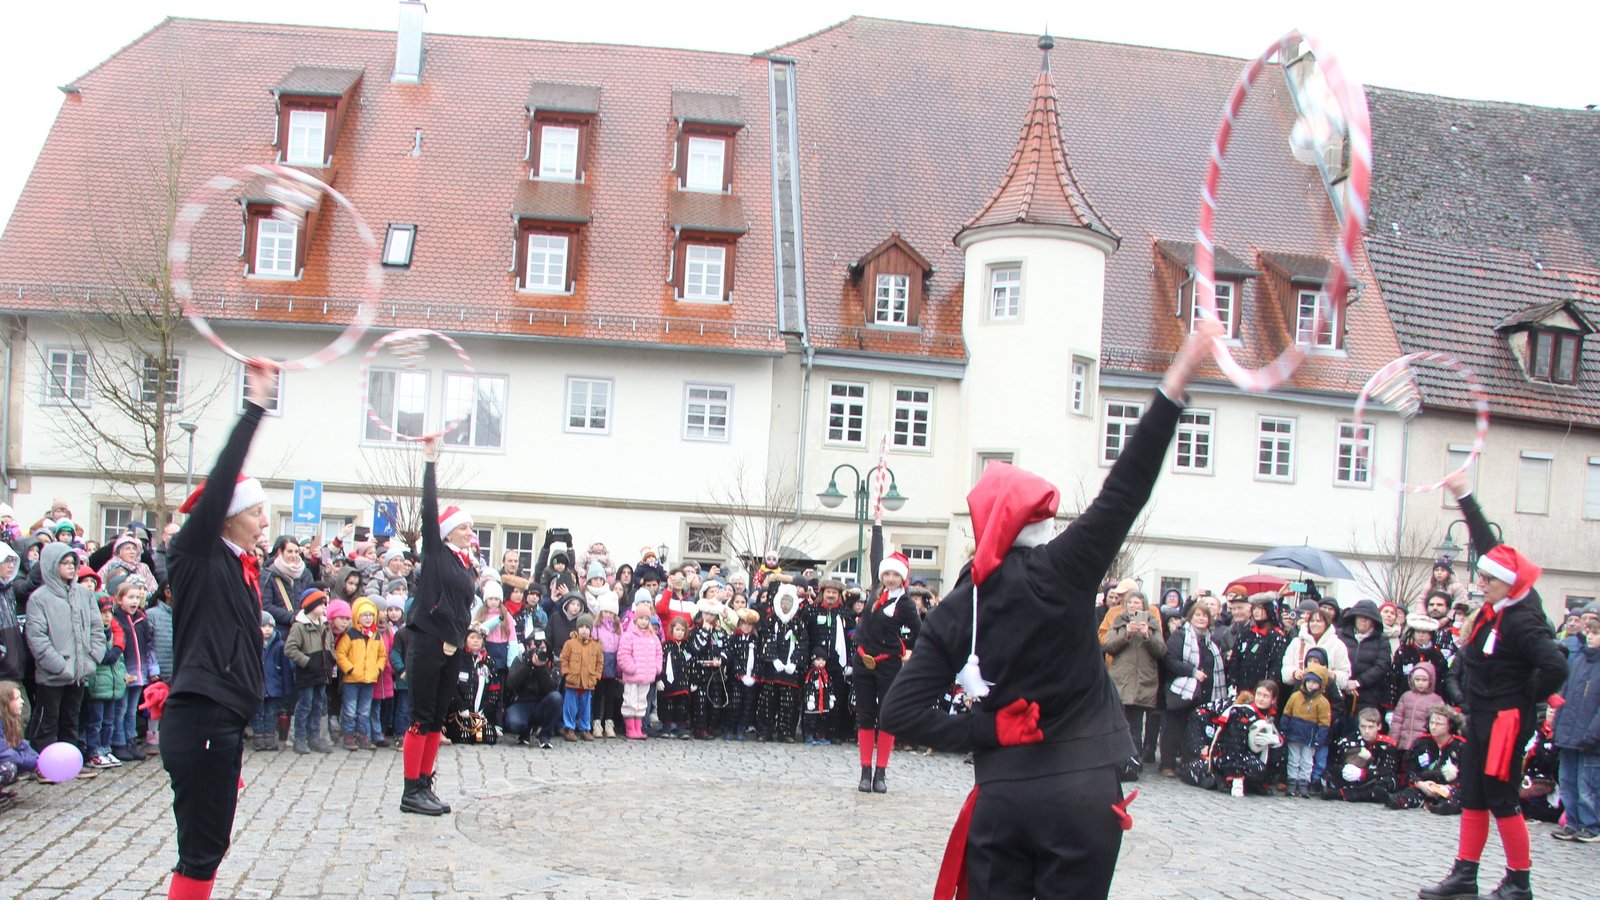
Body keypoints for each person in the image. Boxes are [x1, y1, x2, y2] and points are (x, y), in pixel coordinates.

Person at [877, 323, 1216, 898]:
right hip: (1082, 794)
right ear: (1035, 525)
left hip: (1004, 799)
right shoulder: (1064, 569)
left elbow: (898, 713)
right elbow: (1124, 490)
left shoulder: (958, 606)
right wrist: (1172, 388)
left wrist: (988, 730)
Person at [1419, 474, 1569, 900]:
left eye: (1488, 579)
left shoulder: (1524, 618)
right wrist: (1464, 495)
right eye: (1481, 577)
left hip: (1506, 719)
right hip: (1482, 714)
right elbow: (1488, 544)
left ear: (1508, 583)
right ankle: (1465, 874)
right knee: (1473, 792)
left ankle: (1519, 882)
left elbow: (1556, 665)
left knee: (1502, 797)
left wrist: (1524, 695)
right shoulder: (1500, 599)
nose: (1480, 582)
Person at [157, 361, 275, 900]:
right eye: (256, 514)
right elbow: (224, 474)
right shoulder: (197, 552)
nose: (265, 524)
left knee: (210, 847)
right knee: (202, 848)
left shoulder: (238, 566)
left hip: (222, 718)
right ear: (227, 517)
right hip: (202, 715)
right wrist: (254, 408)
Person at [399, 436, 477, 816]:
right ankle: (409, 789)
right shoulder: (434, 551)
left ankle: (424, 783)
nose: (469, 533)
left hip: (452, 644)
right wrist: (430, 462)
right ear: (448, 531)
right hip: (428, 641)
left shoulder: (465, 563)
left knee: (436, 719)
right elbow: (428, 511)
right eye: (464, 528)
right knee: (421, 716)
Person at [853, 546, 921, 794]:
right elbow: (875, 554)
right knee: (865, 715)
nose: (890, 579)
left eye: (895, 575)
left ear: (902, 578)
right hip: (862, 661)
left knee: (887, 716)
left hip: (887, 664)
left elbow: (920, 633)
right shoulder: (875, 593)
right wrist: (878, 522)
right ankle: (865, 771)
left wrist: (907, 650)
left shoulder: (904, 604)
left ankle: (881, 772)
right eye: (887, 574)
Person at [25, 542, 105, 750]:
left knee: (71, 719)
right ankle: (43, 761)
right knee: (47, 720)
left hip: (80, 670)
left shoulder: (84, 594)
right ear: (52, 565)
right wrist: (59, 665)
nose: (71, 567)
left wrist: (93, 656)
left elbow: (97, 627)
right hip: (54, 673)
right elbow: (37, 637)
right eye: (65, 563)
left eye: (73, 563)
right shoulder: (39, 598)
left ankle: (69, 759)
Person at [1102, 590, 1163, 779]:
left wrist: (1147, 636)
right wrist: (1126, 634)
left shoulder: (1153, 624)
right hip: (1121, 680)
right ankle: (1118, 761)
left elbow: (1161, 650)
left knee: (1136, 726)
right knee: (1118, 723)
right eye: (1131, 603)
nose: (1134, 606)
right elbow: (1108, 646)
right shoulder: (1119, 622)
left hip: (1142, 681)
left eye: (1137, 603)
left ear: (1144, 606)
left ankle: (1134, 762)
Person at [1550, 618, 1600, 842]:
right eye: (1589, 632)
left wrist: (1594, 733)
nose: (1590, 636)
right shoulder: (1578, 660)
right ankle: (1572, 821)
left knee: (1587, 785)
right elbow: (1565, 696)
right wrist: (1557, 727)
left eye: (1596, 633)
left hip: (1590, 737)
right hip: (1569, 734)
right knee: (1568, 781)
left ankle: (1591, 825)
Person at [110, 579, 157, 761]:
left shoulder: (141, 619)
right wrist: (123, 673)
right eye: (130, 597)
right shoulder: (116, 620)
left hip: (139, 671)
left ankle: (131, 741)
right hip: (125, 672)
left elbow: (149, 646)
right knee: (120, 710)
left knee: (131, 711)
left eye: (137, 597)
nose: (135, 601)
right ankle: (119, 742)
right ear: (119, 599)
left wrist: (151, 669)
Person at [285, 590, 336, 754]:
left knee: (318, 705)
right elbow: (290, 649)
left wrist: (331, 659)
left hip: (322, 673)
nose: (324, 607)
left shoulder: (325, 625)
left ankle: (315, 736)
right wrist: (307, 662)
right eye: (321, 604)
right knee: (304, 705)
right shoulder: (299, 626)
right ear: (311, 606)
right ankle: (299, 738)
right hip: (307, 674)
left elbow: (331, 645)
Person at [1388, 704, 1465, 815]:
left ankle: (1442, 806)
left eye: (1438, 724)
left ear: (1450, 725)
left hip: (1448, 787)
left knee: (1455, 798)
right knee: (1406, 795)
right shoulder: (1421, 743)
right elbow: (1411, 770)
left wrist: (1448, 787)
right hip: (1425, 785)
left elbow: (1466, 776)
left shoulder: (1461, 746)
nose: (1433, 727)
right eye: (1432, 723)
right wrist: (1420, 783)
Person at [335, 597, 386, 751]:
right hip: (352, 679)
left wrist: (377, 669)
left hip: (369, 679)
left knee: (364, 710)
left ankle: (363, 735)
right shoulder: (350, 635)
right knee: (350, 709)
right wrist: (349, 669)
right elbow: (340, 654)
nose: (368, 618)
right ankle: (349, 736)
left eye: (371, 615)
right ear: (357, 616)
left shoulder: (376, 635)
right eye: (364, 615)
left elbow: (382, 655)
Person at [756, 584, 803, 744]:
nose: (786, 606)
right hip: (772, 670)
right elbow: (766, 639)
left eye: (789, 603)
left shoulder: (798, 623)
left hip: (790, 672)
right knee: (767, 702)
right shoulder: (770, 621)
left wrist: (795, 662)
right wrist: (773, 659)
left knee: (789, 704)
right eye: (783, 602)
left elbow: (802, 644)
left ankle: (786, 732)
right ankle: (764, 731)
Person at [1322, 707, 1400, 803]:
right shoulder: (1347, 741)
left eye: (1370, 727)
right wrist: (1346, 770)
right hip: (1353, 780)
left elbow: (1388, 770)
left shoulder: (1387, 744)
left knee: (1385, 783)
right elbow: (1334, 764)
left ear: (1379, 726)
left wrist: (1363, 773)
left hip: (1374, 779)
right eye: (1363, 727)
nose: (1366, 731)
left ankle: (1340, 794)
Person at [1282, 665, 1333, 798]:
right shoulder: (1295, 697)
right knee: (1293, 760)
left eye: (1315, 682)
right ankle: (1292, 782)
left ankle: (1304, 783)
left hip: (1310, 738)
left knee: (1307, 761)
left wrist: (1318, 740)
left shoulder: (1322, 702)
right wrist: (1284, 730)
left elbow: (1324, 724)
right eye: (1309, 681)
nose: (1311, 685)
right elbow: (1286, 714)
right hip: (1294, 734)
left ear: (1320, 685)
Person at [616, 598, 663, 741]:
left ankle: (638, 727)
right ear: (635, 619)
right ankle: (631, 728)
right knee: (630, 701)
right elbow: (623, 654)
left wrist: (656, 668)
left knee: (642, 702)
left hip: (646, 676)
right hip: (632, 676)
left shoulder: (653, 637)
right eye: (641, 618)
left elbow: (658, 653)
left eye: (646, 619)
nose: (643, 621)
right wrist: (632, 668)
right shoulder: (629, 635)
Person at [559, 613, 602, 741]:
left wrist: (596, 677)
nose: (584, 629)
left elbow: (599, 663)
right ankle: (569, 728)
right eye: (581, 627)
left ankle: (585, 729)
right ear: (577, 629)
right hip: (572, 682)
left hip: (588, 682)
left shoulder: (596, 646)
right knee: (570, 707)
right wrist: (566, 673)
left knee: (585, 708)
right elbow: (563, 659)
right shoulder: (570, 644)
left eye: (587, 627)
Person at [1391, 662, 1442, 752]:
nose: (1420, 683)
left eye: (1424, 680)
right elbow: (1397, 721)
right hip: (1403, 744)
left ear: (1431, 680)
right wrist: (1393, 741)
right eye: (1417, 680)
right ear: (1412, 680)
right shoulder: (1406, 696)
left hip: (1423, 746)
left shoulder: (1436, 700)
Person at [657, 617, 692, 739]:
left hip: (683, 681)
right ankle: (666, 727)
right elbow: (660, 663)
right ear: (672, 630)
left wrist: (693, 681)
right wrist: (659, 679)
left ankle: (681, 728)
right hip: (668, 682)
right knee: (668, 705)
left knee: (682, 706)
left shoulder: (687, 646)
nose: (680, 632)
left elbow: (691, 663)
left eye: (682, 630)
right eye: (677, 629)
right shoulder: (665, 646)